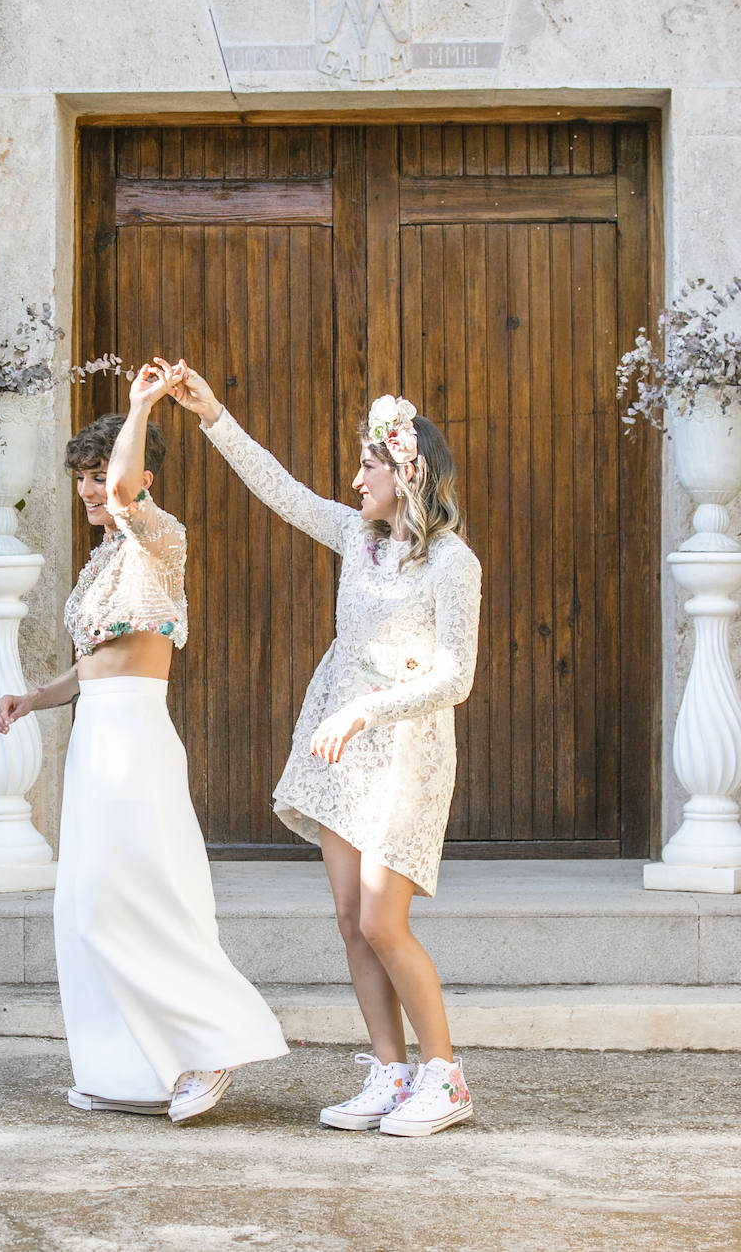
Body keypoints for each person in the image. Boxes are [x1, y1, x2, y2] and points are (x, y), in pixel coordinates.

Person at [171, 367, 482, 1138]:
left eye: (368, 467)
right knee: (350, 918)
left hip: (405, 750)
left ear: (407, 469)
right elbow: (278, 488)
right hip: (340, 745)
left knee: (383, 918)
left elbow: (457, 675)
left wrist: (370, 708)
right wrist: (213, 416)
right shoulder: (355, 537)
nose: (355, 481)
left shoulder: (454, 565)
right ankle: (389, 1071)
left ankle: (445, 1077)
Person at [0, 357, 288, 1124]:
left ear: (141, 478)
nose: (93, 489)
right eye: (83, 478)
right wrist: (34, 698)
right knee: (88, 904)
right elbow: (92, 669)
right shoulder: (103, 563)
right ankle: (129, 1069)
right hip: (98, 735)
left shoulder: (159, 537)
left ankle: (208, 1047)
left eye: (101, 475)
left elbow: (126, 489)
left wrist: (141, 405)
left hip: (136, 741)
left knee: (141, 894)